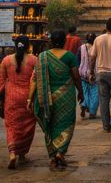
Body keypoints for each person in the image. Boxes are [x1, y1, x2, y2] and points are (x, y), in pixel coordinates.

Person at [29, 29, 84, 170]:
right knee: (67, 123)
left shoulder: (42, 56)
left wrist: (30, 98)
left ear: (51, 41)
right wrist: (81, 92)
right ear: (64, 42)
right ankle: (60, 152)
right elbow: (76, 77)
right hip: (66, 97)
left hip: (46, 98)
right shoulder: (70, 57)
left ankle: (53, 157)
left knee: (50, 125)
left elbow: (35, 79)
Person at [0, 35, 37, 168]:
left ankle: (12, 153)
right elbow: (36, 81)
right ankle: (22, 155)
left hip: (11, 98)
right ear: (28, 46)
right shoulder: (33, 60)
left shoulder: (6, 60)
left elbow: (1, 81)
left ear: (15, 45)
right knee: (27, 126)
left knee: (11, 126)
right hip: (28, 97)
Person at [90, 17, 111, 133]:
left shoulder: (98, 40)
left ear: (106, 27)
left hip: (100, 72)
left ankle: (106, 126)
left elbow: (92, 57)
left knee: (103, 100)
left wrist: (91, 72)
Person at [78, 33, 98, 119]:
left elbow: (77, 60)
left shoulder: (81, 48)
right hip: (95, 74)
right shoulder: (97, 48)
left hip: (83, 73)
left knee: (84, 91)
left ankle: (83, 104)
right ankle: (92, 112)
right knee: (94, 93)